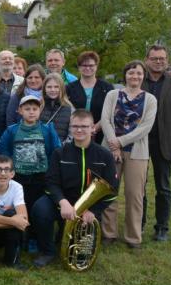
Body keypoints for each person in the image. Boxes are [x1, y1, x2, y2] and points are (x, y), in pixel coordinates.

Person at [30, 110, 118, 267]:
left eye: (84, 126)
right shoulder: (60, 153)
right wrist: (62, 202)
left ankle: (64, 234)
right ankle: (47, 251)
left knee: (81, 256)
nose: (79, 130)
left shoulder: (105, 155)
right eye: (75, 126)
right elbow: (51, 182)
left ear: (93, 128)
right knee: (40, 209)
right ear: (70, 128)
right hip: (63, 202)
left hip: (88, 209)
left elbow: (112, 190)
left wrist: (94, 211)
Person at [100, 60, 157, 248]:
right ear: (125, 75)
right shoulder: (112, 95)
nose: (135, 76)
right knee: (109, 191)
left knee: (134, 195)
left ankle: (133, 237)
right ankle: (109, 233)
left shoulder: (150, 100)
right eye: (131, 73)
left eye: (139, 73)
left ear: (144, 76)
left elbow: (145, 127)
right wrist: (113, 145)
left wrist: (121, 142)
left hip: (137, 153)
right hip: (110, 150)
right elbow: (105, 120)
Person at [141, 45, 171, 241]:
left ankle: (162, 227)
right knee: (139, 186)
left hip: (166, 142)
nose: (158, 61)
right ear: (147, 60)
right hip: (141, 142)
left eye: (162, 58)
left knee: (163, 186)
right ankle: (139, 223)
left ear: (167, 60)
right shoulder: (138, 80)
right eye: (154, 58)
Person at [0, 95, 61, 215]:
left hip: (40, 178)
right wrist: (9, 171)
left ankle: (34, 232)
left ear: (40, 110)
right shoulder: (12, 131)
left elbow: (56, 152)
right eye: (27, 109)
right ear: (20, 111)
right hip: (18, 178)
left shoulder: (47, 130)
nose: (31, 112)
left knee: (37, 210)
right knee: (18, 208)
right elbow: (3, 152)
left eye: (35, 109)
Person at [66, 51, 114, 144]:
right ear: (79, 67)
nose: (88, 68)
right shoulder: (69, 88)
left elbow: (110, 111)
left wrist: (95, 128)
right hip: (76, 134)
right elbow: (67, 112)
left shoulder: (107, 88)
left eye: (91, 65)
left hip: (101, 134)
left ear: (96, 66)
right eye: (84, 65)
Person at [41, 73, 74, 142]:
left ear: (61, 88)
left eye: (56, 87)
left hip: (62, 149)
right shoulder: (39, 106)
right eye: (49, 87)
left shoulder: (70, 108)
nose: (53, 90)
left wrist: (62, 148)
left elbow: (72, 134)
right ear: (44, 89)